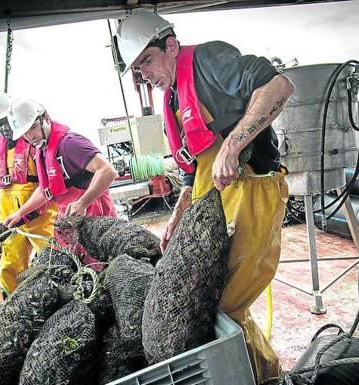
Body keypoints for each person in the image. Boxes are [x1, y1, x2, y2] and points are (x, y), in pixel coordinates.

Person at [115, 11, 294, 383]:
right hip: (209, 198)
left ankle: (266, 376)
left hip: (252, 189)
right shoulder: (174, 96)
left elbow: (278, 86)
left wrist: (233, 146)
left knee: (224, 306)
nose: (144, 73)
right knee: (206, 301)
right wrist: (177, 216)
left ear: (171, 45)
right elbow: (193, 166)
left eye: (147, 60)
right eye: (137, 68)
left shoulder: (209, 61)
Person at [2, 98, 117, 230]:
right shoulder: (43, 150)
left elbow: (107, 170)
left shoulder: (70, 143)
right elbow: (44, 190)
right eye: (24, 133)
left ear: (45, 118)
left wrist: (82, 203)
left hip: (97, 219)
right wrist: (20, 213)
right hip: (73, 223)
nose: (30, 136)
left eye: (33, 127)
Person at [0, 93, 57, 294]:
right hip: (8, 213)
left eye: (5, 121)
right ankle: (10, 298)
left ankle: (59, 293)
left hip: (38, 212)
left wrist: (30, 211)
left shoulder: (33, 140)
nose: (3, 127)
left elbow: (48, 181)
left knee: (51, 255)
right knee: (10, 261)